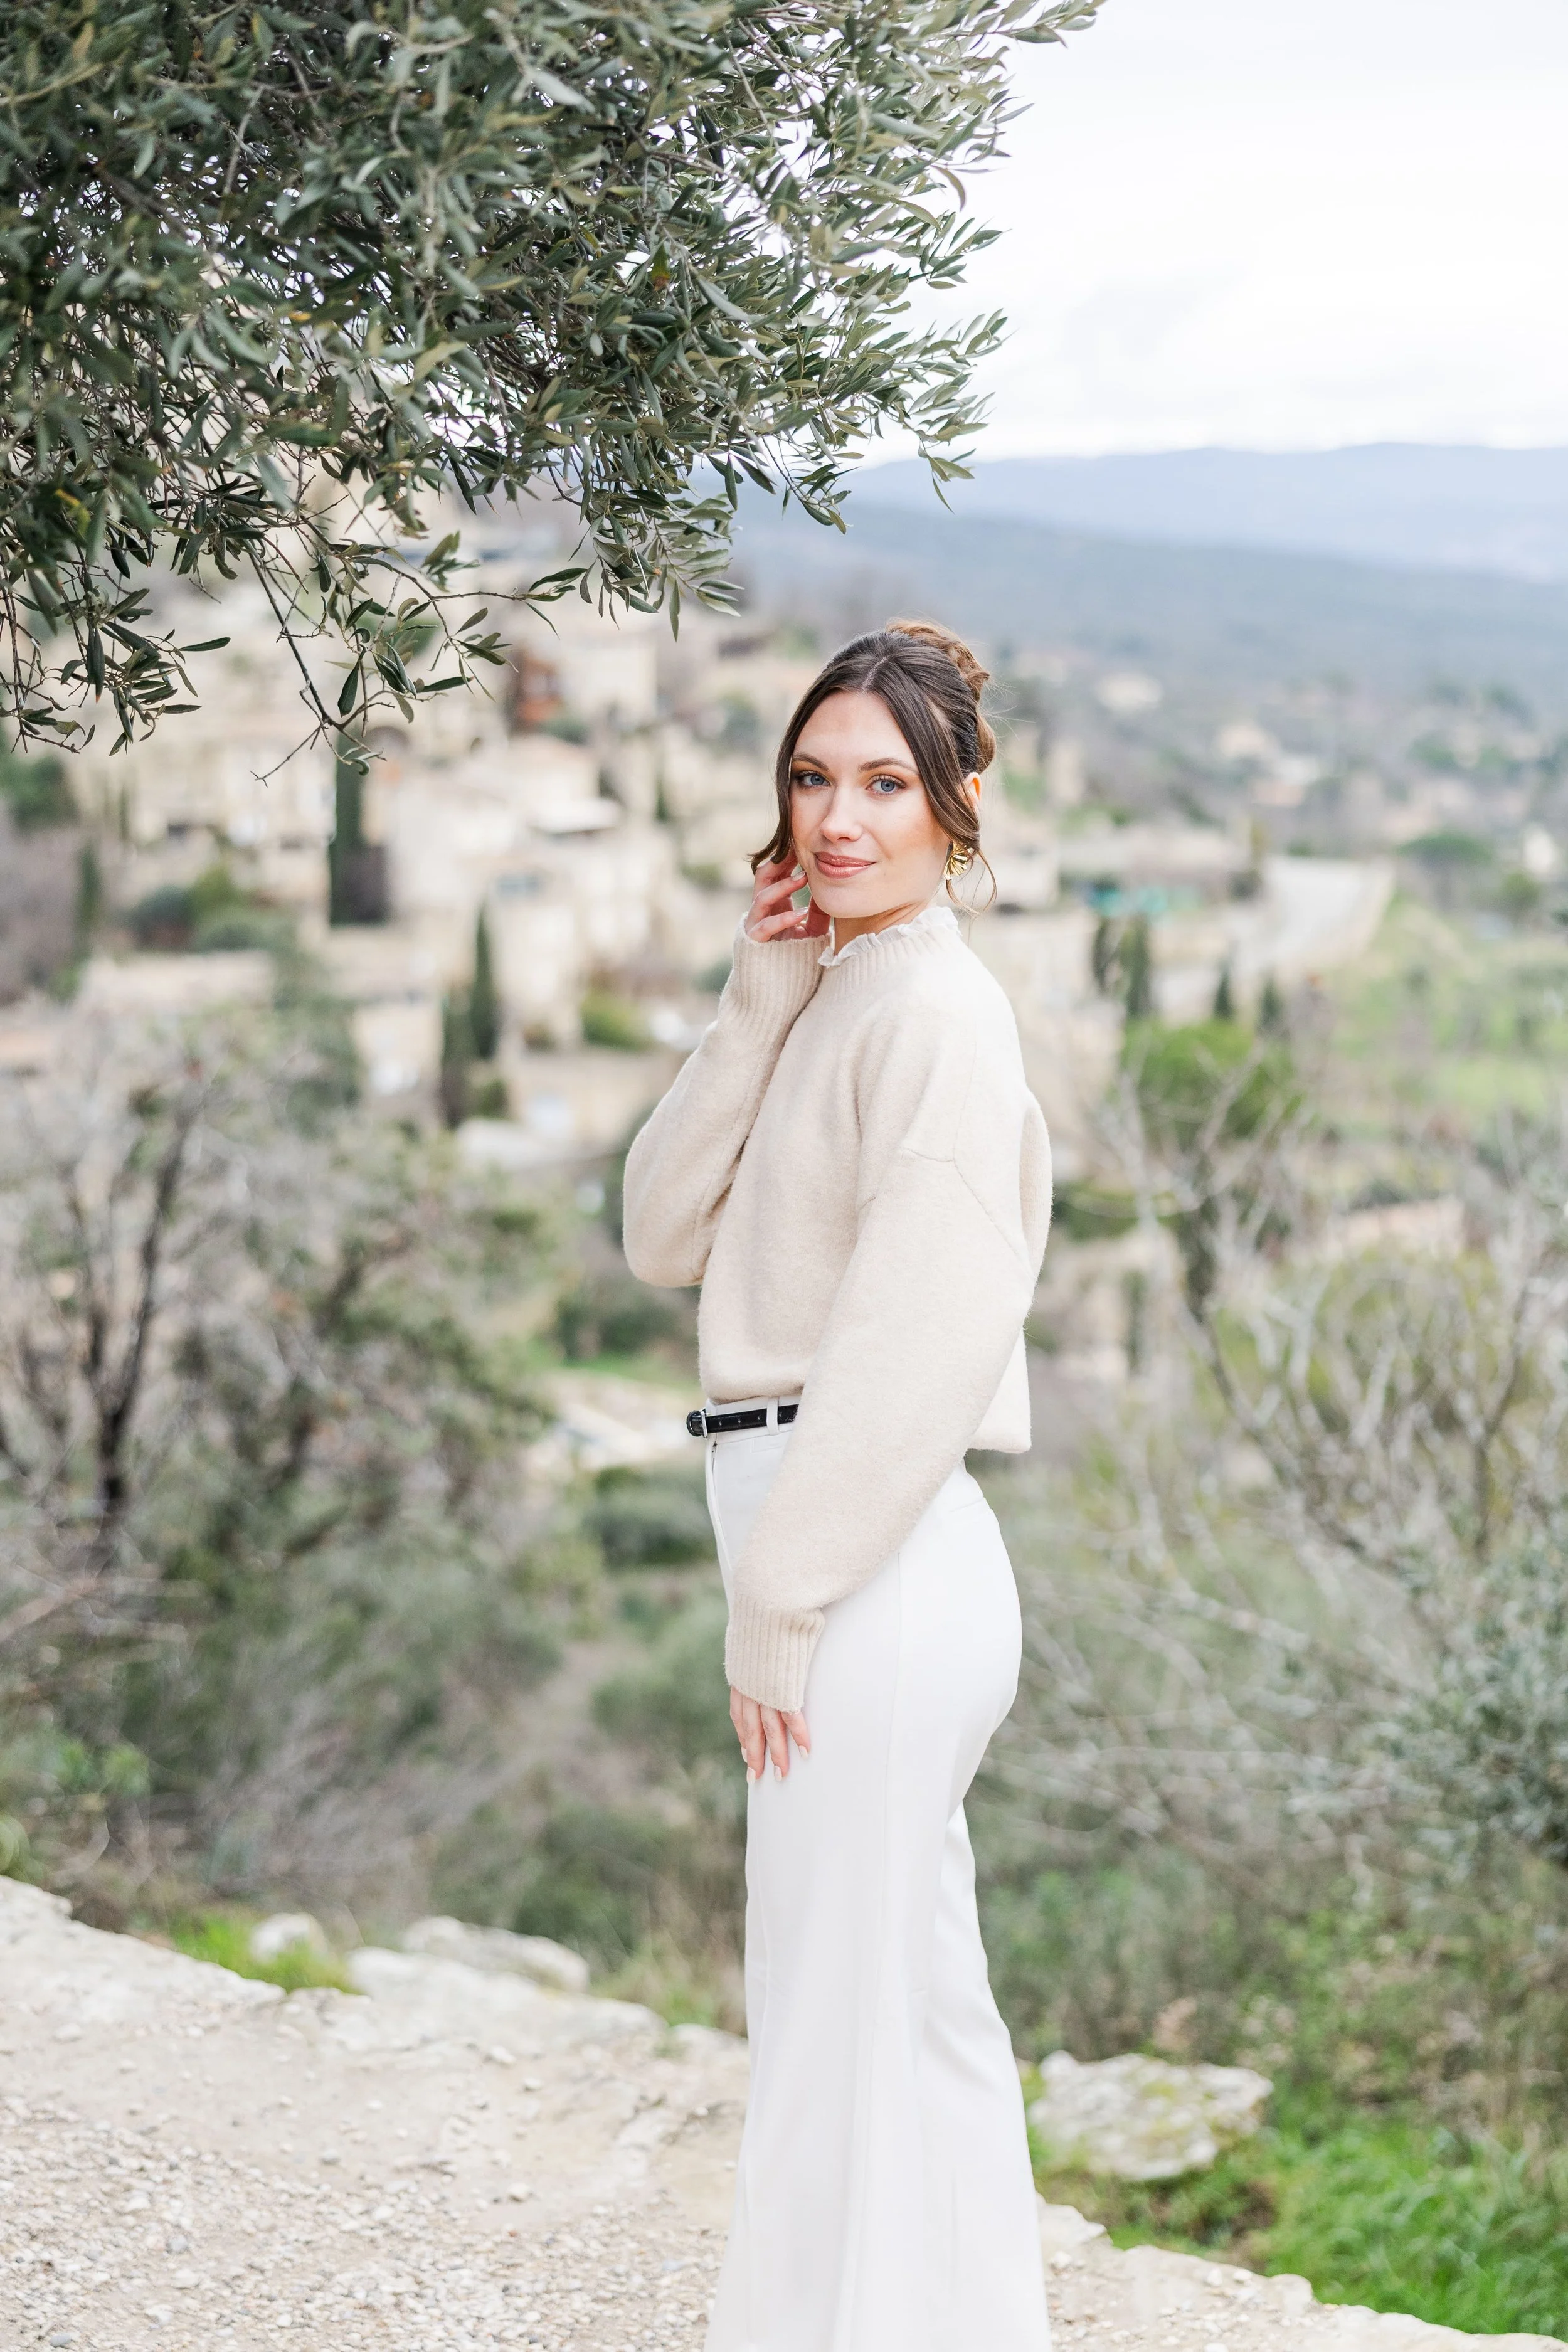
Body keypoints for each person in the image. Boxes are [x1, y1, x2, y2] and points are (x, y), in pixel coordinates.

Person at [623, 620, 1054, 2352]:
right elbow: (662, 1232)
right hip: (826, 1549)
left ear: (957, 805)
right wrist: (754, 996)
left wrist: (779, 1602)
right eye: (812, 777)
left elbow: (915, 1347)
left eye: (884, 781)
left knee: (845, 2026)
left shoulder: (941, 1014)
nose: (837, 817)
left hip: (863, 1568)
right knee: (880, 2010)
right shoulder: (835, 988)